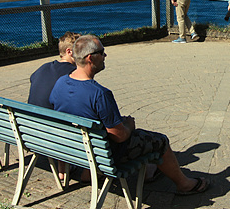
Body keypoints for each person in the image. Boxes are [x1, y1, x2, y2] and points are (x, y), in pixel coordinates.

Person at [49, 35, 210, 195]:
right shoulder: (99, 94)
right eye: (102, 52)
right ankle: (184, 184)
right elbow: (119, 136)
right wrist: (129, 126)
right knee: (159, 141)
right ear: (90, 58)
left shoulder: (60, 82)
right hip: (102, 154)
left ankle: (144, 171)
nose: (105, 56)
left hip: (73, 148)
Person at [27, 31, 80, 109]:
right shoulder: (74, 73)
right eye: (81, 50)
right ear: (69, 52)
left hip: (29, 118)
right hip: (50, 120)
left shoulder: (44, 67)